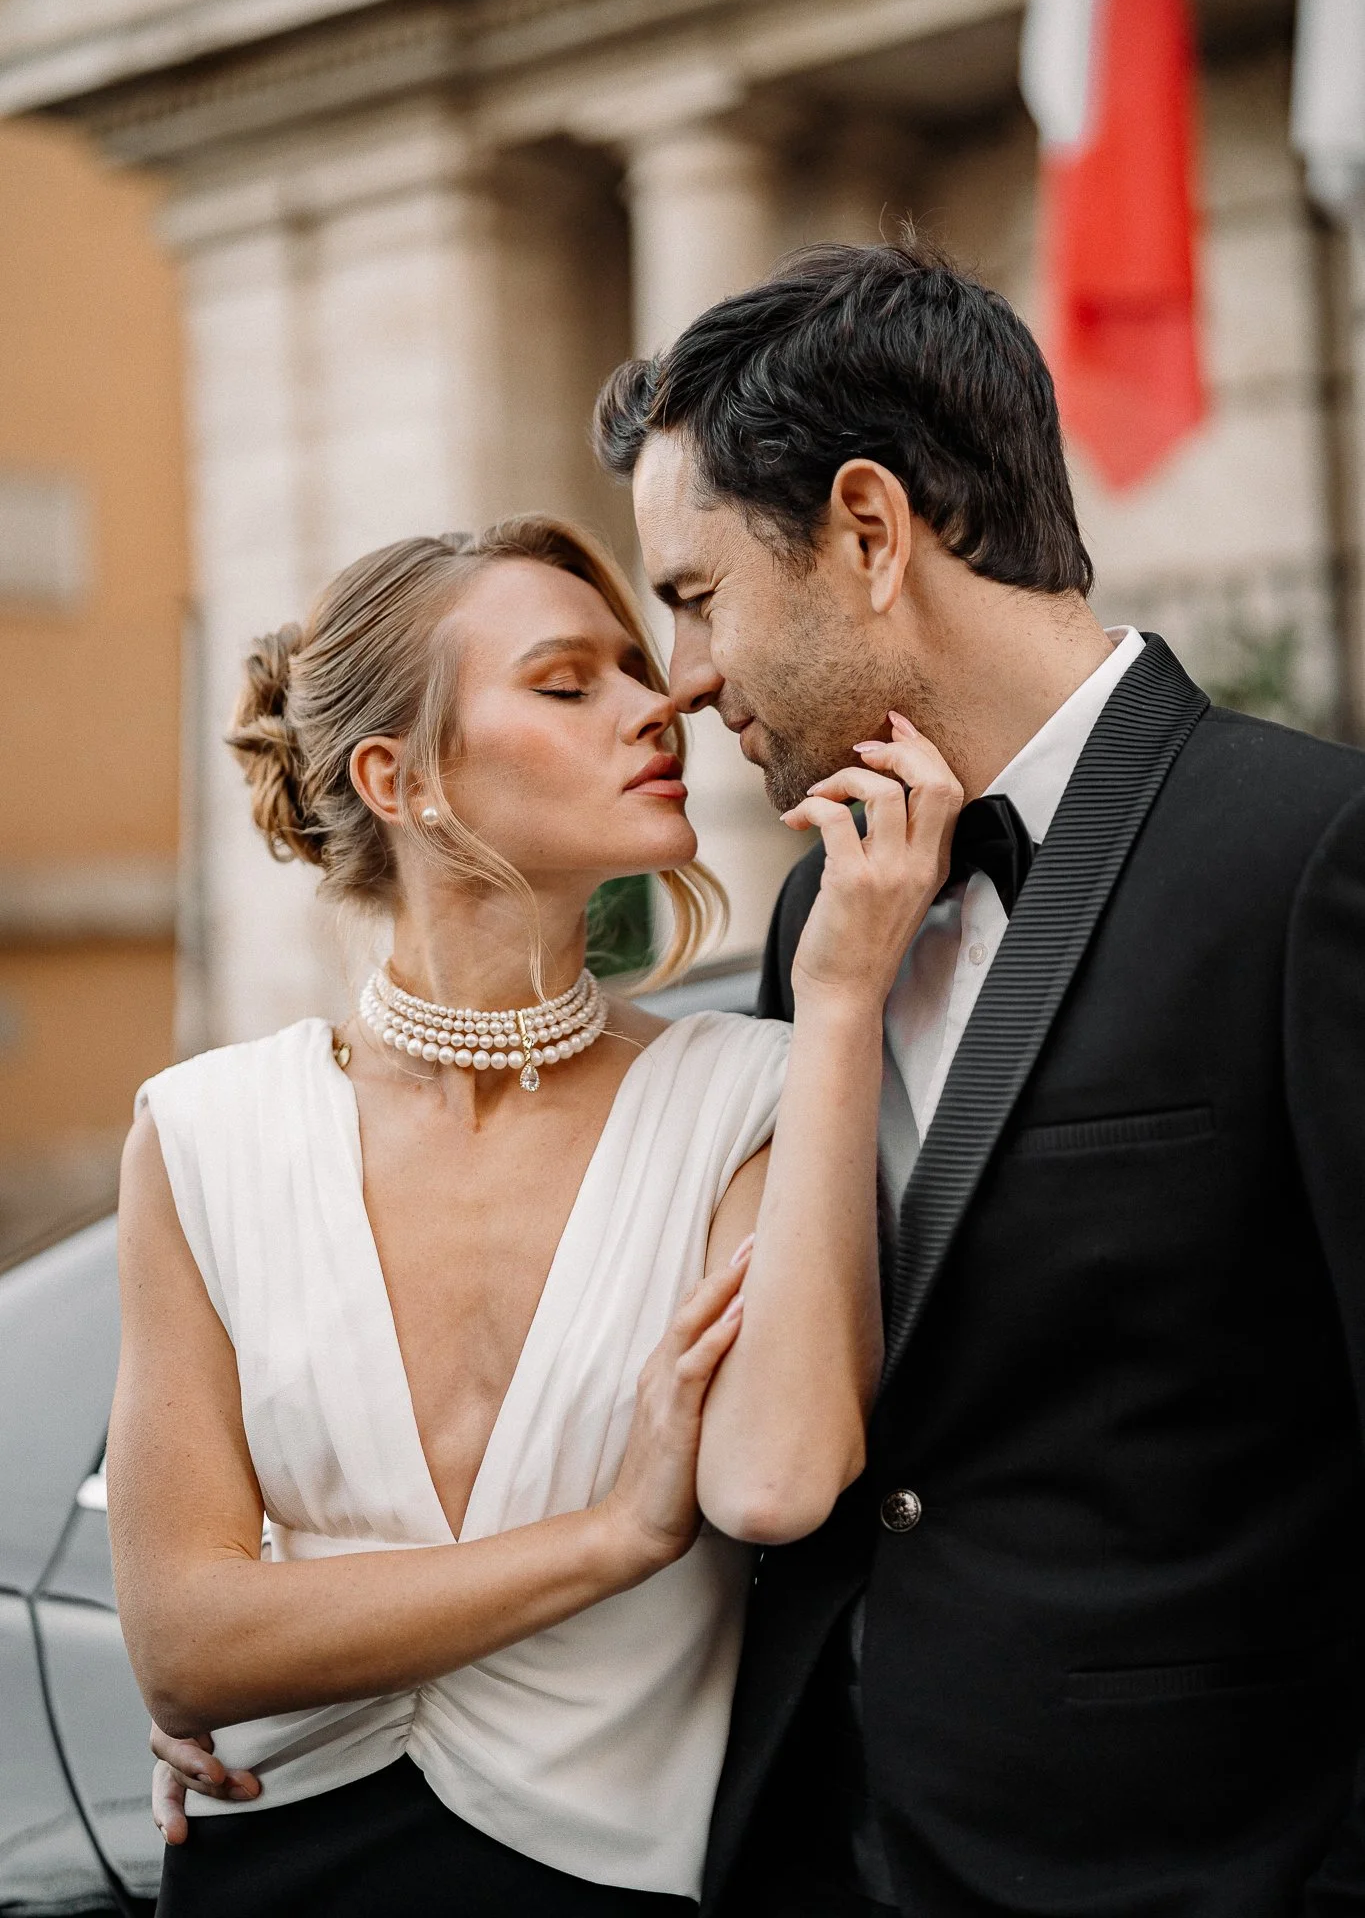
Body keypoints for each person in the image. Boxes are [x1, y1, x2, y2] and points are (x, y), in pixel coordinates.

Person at [591, 237, 1365, 1918]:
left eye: (696, 595)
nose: (687, 678)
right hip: (845, 1856)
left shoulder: (1306, 860)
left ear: (869, 530)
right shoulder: (822, 907)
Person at [111, 512, 961, 1917]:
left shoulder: (749, 1092)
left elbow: (773, 1476)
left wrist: (847, 989)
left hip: (620, 1886)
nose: (663, 705)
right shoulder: (202, 1137)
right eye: (571, 684)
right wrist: (616, 1536)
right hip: (275, 1872)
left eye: (643, 666)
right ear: (402, 777)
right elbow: (187, 1643)